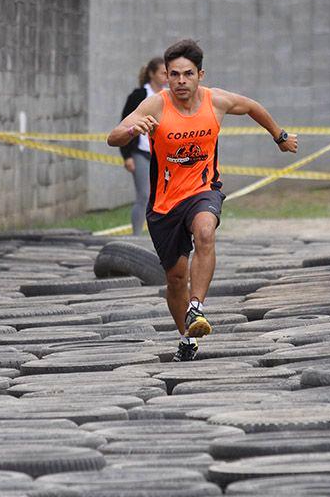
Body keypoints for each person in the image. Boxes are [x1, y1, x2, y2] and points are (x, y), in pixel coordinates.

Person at [107, 39, 298, 361]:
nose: (181, 81)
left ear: (200, 75)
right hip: (165, 204)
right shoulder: (155, 105)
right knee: (175, 278)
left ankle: (197, 308)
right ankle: (186, 337)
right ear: (165, 77)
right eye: (174, 75)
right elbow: (113, 137)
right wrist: (131, 130)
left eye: (188, 74)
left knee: (205, 232)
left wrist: (279, 137)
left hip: (202, 190)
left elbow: (252, 106)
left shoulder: (217, 101)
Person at [119, 57, 167, 235]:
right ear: (151, 74)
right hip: (141, 152)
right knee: (144, 195)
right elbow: (123, 125)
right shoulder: (138, 96)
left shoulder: (169, 96)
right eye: (163, 73)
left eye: (168, 73)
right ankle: (136, 235)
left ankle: (164, 234)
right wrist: (127, 156)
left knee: (163, 196)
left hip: (163, 155)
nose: (166, 77)